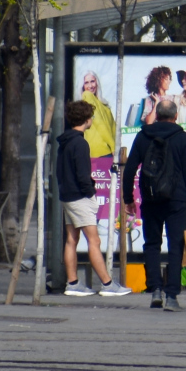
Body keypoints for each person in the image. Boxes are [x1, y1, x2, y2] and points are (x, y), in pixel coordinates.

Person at [123, 99, 186, 311]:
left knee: (151, 243)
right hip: (177, 199)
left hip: (150, 198)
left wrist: (128, 198)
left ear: (156, 115)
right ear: (176, 116)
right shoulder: (183, 139)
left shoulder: (143, 136)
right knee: (176, 245)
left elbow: (130, 168)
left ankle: (155, 290)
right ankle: (172, 296)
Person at [57, 100, 131, 297]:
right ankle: (107, 284)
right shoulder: (80, 143)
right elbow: (83, 174)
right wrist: (90, 191)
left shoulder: (64, 141)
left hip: (67, 195)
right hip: (80, 197)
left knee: (71, 239)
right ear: (87, 120)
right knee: (94, 240)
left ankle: (73, 282)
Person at [79, 71, 118, 159]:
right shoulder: (87, 96)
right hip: (99, 151)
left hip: (108, 149)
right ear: (83, 86)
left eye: (92, 81)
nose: (90, 86)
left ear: (97, 82)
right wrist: (113, 146)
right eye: (86, 83)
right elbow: (98, 122)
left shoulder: (103, 103)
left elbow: (113, 127)